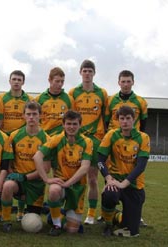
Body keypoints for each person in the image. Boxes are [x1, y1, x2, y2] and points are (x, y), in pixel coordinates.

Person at [33, 110, 92, 236]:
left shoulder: (87, 142)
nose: (71, 127)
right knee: (53, 190)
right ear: (63, 125)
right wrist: (47, 180)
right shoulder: (56, 139)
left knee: (72, 231)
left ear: (80, 125)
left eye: (75, 124)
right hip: (60, 183)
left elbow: (85, 168)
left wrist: (68, 183)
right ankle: (56, 224)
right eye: (69, 124)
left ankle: (55, 214)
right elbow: (37, 157)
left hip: (77, 186)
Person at [99, 105, 150, 237]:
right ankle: (108, 224)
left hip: (134, 185)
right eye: (122, 118)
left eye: (128, 118)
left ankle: (116, 216)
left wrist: (124, 184)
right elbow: (100, 160)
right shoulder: (111, 135)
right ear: (118, 120)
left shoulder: (143, 138)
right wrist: (108, 178)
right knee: (109, 194)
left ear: (134, 119)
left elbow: (141, 166)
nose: (125, 121)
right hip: (115, 181)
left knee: (132, 232)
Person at [1, 101, 51, 232]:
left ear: (40, 116)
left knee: (33, 220)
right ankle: (6, 220)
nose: (31, 117)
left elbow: (46, 169)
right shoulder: (14, 136)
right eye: (28, 114)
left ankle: (28, 210)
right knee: (7, 186)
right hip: (18, 182)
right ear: (23, 116)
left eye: (34, 114)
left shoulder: (47, 139)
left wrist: (25, 177)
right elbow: (8, 162)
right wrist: (13, 175)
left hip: (36, 184)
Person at [68, 60, 108, 225]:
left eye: (90, 71)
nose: (87, 73)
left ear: (94, 73)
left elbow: (105, 118)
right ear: (80, 72)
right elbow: (70, 118)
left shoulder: (102, 93)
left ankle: (91, 214)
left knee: (92, 178)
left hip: (95, 141)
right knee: (74, 177)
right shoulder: (73, 92)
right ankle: (73, 210)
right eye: (84, 70)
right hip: (77, 140)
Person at [0, 70, 33, 222]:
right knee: (3, 172)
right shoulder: (1, 98)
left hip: (21, 139)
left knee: (22, 169)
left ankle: (20, 211)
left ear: (23, 82)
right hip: (6, 139)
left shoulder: (29, 99)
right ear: (9, 81)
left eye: (19, 79)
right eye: (14, 79)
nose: (16, 82)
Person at [35, 67, 74, 136]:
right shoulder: (39, 99)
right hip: (45, 138)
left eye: (62, 81)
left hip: (62, 139)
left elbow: (73, 120)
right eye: (57, 81)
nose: (60, 84)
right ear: (49, 80)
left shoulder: (69, 99)